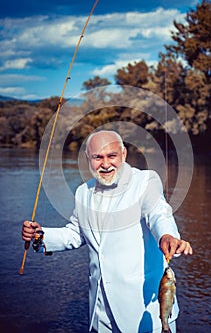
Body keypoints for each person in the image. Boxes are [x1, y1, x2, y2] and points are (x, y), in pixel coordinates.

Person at [22, 130, 192, 333]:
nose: (105, 164)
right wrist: (40, 236)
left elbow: (158, 213)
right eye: (97, 157)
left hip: (145, 315)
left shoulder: (145, 181)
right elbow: (76, 233)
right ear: (88, 159)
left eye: (112, 156)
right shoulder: (83, 192)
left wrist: (167, 235)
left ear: (123, 154)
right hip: (99, 315)